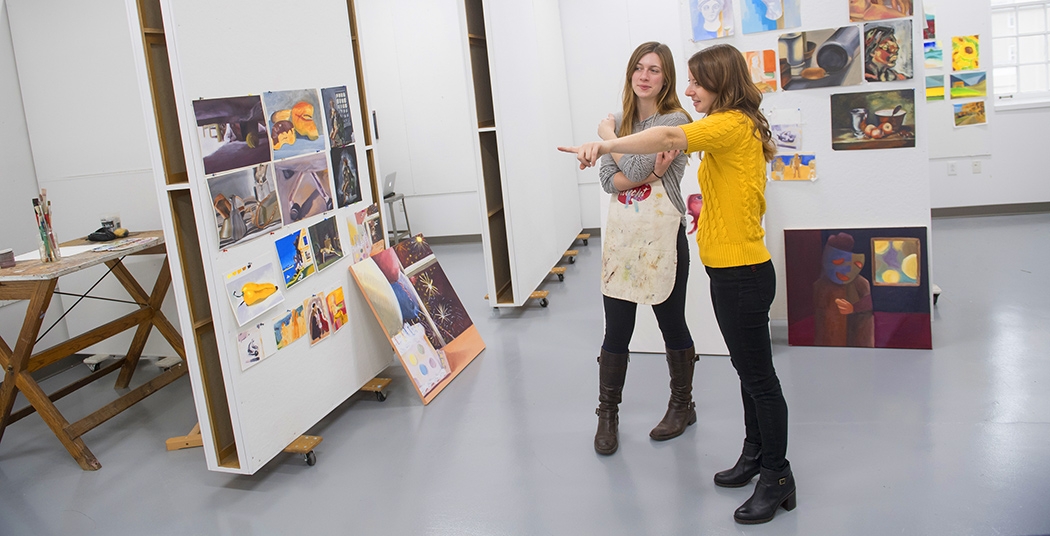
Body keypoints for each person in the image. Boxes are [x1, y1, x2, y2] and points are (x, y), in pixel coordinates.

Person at [559, 43, 794, 525]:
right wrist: (619, 155)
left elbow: (664, 136)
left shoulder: (728, 124)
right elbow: (621, 178)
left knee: (760, 382)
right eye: (685, 79)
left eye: (696, 81)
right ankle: (755, 455)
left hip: (743, 273)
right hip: (730, 269)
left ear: (721, 83)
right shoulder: (731, 124)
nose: (689, 89)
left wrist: (606, 140)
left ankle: (778, 476)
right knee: (749, 379)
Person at [589, 42, 694, 457]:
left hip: (662, 238)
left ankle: (683, 405)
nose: (644, 75)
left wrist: (608, 141)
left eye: (654, 69)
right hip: (623, 240)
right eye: (638, 67)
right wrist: (647, 168)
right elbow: (608, 182)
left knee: (672, 325)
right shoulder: (620, 120)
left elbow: (625, 170)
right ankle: (607, 415)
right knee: (616, 330)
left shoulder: (674, 121)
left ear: (666, 78)